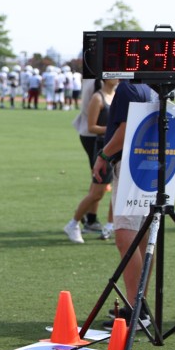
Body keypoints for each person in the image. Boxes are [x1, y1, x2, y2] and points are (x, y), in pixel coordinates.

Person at [91, 79, 158, 329]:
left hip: (131, 165)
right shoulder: (152, 87)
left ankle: (135, 308)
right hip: (151, 162)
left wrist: (104, 154)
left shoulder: (129, 87)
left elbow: (126, 129)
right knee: (143, 238)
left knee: (126, 236)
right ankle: (139, 303)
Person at [65, 76, 117, 243]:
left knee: (114, 190)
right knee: (96, 193)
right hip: (103, 147)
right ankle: (73, 223)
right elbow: (91, 127)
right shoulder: (97, 97)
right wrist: (112, 129)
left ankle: (110, 225)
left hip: (116, 147)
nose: (117, 77)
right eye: (113, 74)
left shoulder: (116, 95)